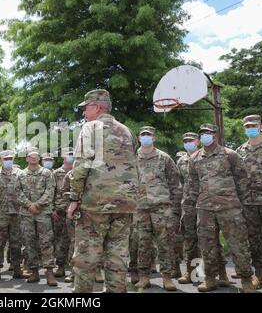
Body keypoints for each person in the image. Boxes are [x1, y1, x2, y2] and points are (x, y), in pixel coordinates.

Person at [68, 89, 139, 293]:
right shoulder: (126, 130)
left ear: (97, 107)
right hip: (124, 204)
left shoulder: (90, 128)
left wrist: (74, 198)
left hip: (96, 203)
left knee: (86, 256)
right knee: (117, 256)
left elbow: (81, 166)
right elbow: (134, 164)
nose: (83, 113)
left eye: (86, 108)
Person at [187, 123, 255, 293]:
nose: (204, 136)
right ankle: (210, 278)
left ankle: (246, 279)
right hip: (205, 209)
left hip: (229, 207)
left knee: (238, 244)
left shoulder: (229, 155)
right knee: (207, 245)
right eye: (202, 133)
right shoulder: (194, 158)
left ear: (215, 135)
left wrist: (240, 203)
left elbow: (243, 179)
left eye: (208, 133)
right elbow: (193, 184)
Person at [177, 132, 229, 285]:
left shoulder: (204, 156)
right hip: (189, 205)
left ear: (198, 142)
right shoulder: (181, 161)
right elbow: (182, 183)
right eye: (185, 140)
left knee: (211, 239)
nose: (188, 143)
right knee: (190, 240)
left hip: (207, 203)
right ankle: (193, 273)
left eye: (191, 140)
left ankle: (222, 273)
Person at [134, 126, 180, 291]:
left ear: (154, 138)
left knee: (165, 243)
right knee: (142, 244)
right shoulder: (132, 158)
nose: (146, 137)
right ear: (139, 138)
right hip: (140, 208)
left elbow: (175, 184)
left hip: (161, 207)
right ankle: (144, 277)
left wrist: (174, 209)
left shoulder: (164, 158)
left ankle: (167, 277)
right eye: (143, 134)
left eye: (149, 135)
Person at [236, 114, 262, 288]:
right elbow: (237, 177)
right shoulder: (240, 151)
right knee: (253, 238)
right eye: (247, 126)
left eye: (253, 125)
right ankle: (259, 274)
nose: (250, 128)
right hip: (249, 202)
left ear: (260, 127)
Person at [17, 148, 57, 286]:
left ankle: (49, 272)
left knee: (46, 242)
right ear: (26, 159)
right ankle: (34, 271)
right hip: (26, 213)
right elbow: (18, 192)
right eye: (30, 156)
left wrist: (38, 205)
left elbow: (50, 191)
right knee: (29, 242)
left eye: (36, 156)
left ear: (39, 159)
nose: (33, 158)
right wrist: (29, 205)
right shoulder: (21, 174)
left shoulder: (46, 173)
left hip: (43, 212)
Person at [0, 150, 24, 280]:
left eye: (10, 158)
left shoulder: (20, 174)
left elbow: (25, 190)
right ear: (1, 160)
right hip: (0, 213)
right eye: (6, 158)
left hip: (16, 212)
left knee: (16, 243)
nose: (8, 160)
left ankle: (17, 268)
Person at [52, 148, 74, 278]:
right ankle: (60, 266)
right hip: (59, 211)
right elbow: (52, 191)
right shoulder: (56, 173)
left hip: (74, 211)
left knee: (74, 240)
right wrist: (53, 209)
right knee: (60, 239)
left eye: (72, 155)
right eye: (68, 155)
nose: (70, 157)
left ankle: (73, 268)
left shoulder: (78, 172)